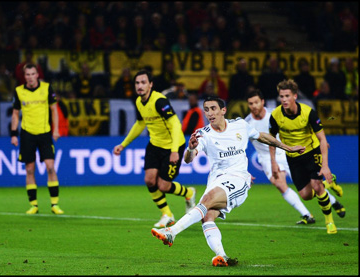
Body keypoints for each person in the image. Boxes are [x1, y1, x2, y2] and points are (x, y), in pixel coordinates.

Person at [151, 96, 305, 267]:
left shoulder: (240, 125)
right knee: (207, 217)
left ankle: (171, 231)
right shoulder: (203, 134)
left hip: (238, 179)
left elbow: (262, 136)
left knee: (206, 201)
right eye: (206, 109)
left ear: (223, 110)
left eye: (213, 108)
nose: (210, 113)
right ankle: (222, 256)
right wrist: (191, 147)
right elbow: (188, 159)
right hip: (217, 180)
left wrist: (288, 148)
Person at [245, 89, 345, 224]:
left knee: (308, 188)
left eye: (256, 102)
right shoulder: (247, 123)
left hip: (287, 152)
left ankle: (331, 196)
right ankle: (306, 215)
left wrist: (320, 141)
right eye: (251, 103)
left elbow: (300, 127)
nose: (254, 106)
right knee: (279, 184)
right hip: (266, 157)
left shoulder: (275, 114)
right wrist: (273, 163)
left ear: (262, 102)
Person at [113, 70, 196, 228]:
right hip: (155, 145)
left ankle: (189, 193)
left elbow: (175, 124)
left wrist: (173, 151)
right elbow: (140, 124)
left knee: (163, 185)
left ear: (150, 84)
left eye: (143, 82)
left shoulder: (159, 101)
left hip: (173, 145)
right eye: (137, 83)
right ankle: (167, 214)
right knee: (150, 180)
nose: (140, 86)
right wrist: (123, 144)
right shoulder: (138, 102)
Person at [269, 79, 345, 234]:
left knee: (317, 186)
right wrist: (273, 163)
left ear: (295, 96)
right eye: (281, 96)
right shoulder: (276, 116)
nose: (283, 99)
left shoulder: (308, 112)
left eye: (287, 96)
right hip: (293, 158)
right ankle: (331, 183)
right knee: (306, 195)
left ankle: (329, 222)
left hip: (311, 152)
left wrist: (325, 165)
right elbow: (271, 140)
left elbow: (323, 139)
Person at [10, 64, 64, 215]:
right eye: (27, 74)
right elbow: (15, 113)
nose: (30, 77)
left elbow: (54, 109)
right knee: (29, 169)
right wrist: (13, 134)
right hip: (27, 134)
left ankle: (54, 204)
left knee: (50, 167)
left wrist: (56, 129)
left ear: (37, 75)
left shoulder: (47, 88)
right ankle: (33, 205)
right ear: (24, 76)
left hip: (45, 133)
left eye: (33, 74)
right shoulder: (19, 91)